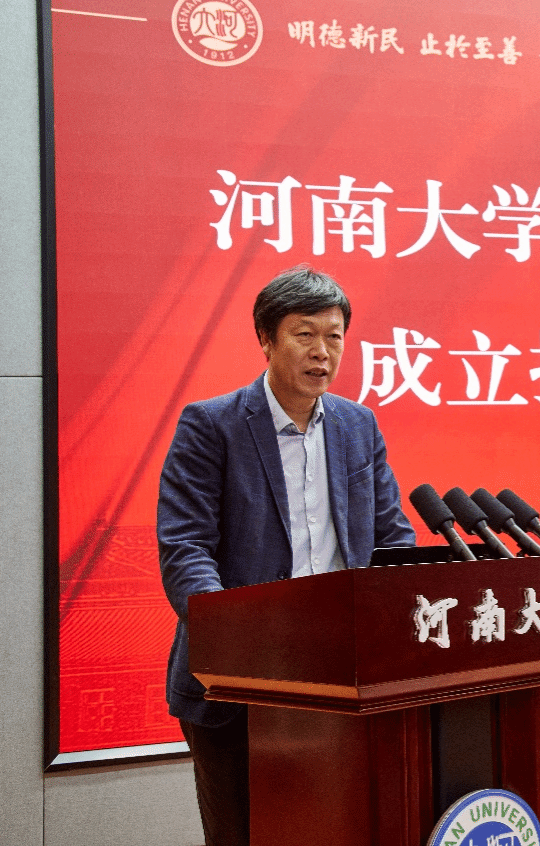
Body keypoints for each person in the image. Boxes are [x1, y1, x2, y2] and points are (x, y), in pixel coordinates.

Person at [156, 265, 415, 846]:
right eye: (305, 335)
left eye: (334, 336)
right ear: (266, 340)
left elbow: (391, 539)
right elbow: (185, 547)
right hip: (239, 682)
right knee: (244, 834)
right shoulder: (211, 425)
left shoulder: (357, 426)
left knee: (340, 829)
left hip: (343, 677)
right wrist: (233, 635)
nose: (323, 351)